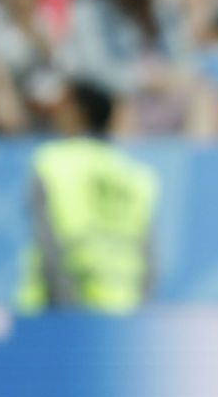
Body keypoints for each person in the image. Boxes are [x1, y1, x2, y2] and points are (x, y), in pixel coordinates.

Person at [15, 83, 159, 313]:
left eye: (62, 107)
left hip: (58, 317)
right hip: (123, 313)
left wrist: (70, 315)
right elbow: (149, 260)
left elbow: (48, 247)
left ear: (76, 112)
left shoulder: (51, 163)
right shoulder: (134, 175)